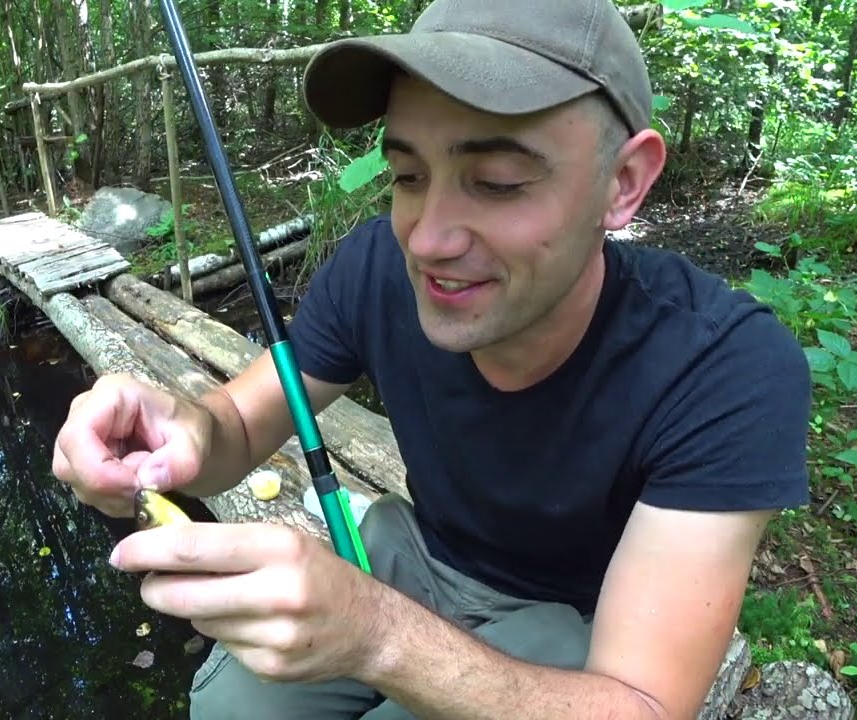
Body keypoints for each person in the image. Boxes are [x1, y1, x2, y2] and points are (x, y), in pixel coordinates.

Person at [52, 0, 813, 717]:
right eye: (408, 176)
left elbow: (642, 704)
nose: (426, 238)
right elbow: (234, 432)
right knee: (230, 707)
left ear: (624, 183)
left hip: (584, 631)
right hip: (413, 558)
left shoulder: (725, 368)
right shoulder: (377, 263)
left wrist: (377, 634)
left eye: (497, 182)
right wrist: (178, 438)